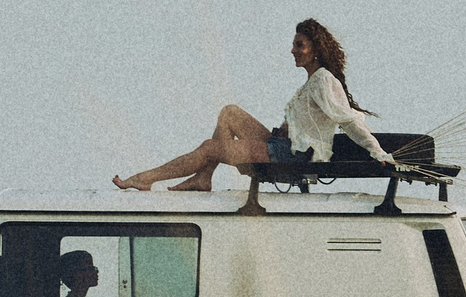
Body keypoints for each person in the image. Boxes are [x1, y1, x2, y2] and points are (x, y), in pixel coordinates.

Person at [114, 19, 393, 191]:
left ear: (316, 49)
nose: (293, 50)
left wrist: (377, 151)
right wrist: (287, 127)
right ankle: (204, 177)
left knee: (211, 148)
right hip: (286, 146)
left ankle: (145, 178)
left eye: (300, 45)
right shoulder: (313, 81)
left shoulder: (322, 80)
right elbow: (315, 120)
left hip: (294, 157)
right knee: (230, 113)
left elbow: (348, 119)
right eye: (294, 44)